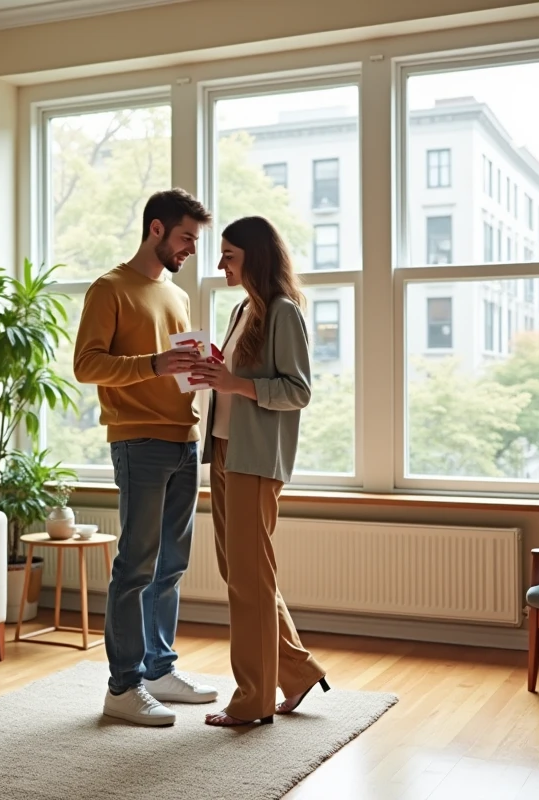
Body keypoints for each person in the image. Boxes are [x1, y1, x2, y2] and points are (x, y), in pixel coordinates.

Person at [73, 188, 219, 727]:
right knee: (135, 564)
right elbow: (87, 365)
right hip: (138, 441)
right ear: (156, 229)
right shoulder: (109, 288)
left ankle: (159, 669)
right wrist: (154, 364)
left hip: (185, 438)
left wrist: (198, 371)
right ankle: (123, 685)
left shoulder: (176, 295)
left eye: (196, 241)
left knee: (171, 565)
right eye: (185, 238)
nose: (191, 249)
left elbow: (170, 367)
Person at [191, 216, 330, 727]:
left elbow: (298, 391)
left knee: (249, 580)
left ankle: (252, 701)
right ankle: (297, 672)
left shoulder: (282, 313)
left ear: (254, 255)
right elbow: (234, 383)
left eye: (229, 254)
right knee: (241, 574)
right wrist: (213, 374)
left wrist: (234, 383)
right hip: (226, 453)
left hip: (255, 461)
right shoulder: (241, 310)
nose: (221, 263)